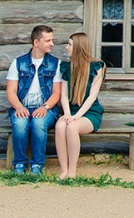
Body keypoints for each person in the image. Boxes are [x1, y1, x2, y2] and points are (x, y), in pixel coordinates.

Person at [6, 24, 62, 175]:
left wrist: (45, 107)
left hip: (46, 108)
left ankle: (37, 165)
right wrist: (19, 107)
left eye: (52, 40)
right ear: (36, 42)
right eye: (48, 40)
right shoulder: (18, 63)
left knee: (38, 123)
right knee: (20, 124)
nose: (52, 43)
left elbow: (56, 93)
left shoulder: (55, 64)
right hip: (22, 106)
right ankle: (19, 164)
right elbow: (11, 91)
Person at [53, 32, 106, 179]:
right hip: (70, 111)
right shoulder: (66, 67)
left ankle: (72, 172)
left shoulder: (97, 67)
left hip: (89, 113)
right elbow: (64, 95)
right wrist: (67, 114)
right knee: (60, 126)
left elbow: (92, 96)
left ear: (78, 46)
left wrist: (77, 116)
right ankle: (63, 170)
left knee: (72, 127)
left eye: (70, 44)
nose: (66, 47)